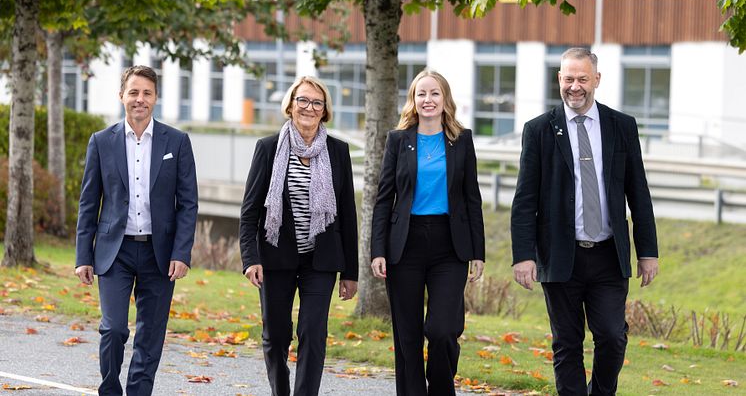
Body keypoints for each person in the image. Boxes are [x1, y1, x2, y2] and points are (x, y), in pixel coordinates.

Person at [510, 47, 659, 395]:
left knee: (611, 335)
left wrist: (647, 251)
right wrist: (523, 255)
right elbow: (524, 199)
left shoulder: (621, 126)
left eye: (581, 79)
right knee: (567, 342)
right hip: (561, 254)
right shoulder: (539, 130)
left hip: (608, 255)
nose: (574, 87)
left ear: (596, 80)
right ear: (558, 80)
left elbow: (639, 192)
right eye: (567, 79)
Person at [74, 65, 198, 395]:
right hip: (116, 252)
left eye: (146, 93)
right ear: (121, 96)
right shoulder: (101, 141)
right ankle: (110, 390)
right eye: (133, 92)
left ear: (155, 98)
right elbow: (89, 202)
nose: (139, 99)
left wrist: (181, 252)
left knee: (150, 334)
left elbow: (188, 204)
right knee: (113, 329)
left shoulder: (178, 141)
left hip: (161, 255)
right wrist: (82, 256)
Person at [239, 75, 358, 396]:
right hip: (275, 257)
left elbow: (347, 212)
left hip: (321, 261)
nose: (309, 107)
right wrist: (250, 259)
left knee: (313, 332)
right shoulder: (267, 149)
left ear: (325, 111)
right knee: (276, 335)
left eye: (316, 102)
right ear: (290, 106)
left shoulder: (337, 151)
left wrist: (351, 273)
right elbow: (250, 211)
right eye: (302, 100)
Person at [370, 69, 485, 396]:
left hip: (449, 246)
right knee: (406, 334)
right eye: (421, 94)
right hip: (404, 245)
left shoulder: (462, 141)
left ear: (445, 100)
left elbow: (471, 197)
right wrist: (378, 249)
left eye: (435, 93)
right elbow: (383, 198)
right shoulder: (398, 140)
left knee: (442, 329)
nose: (428, 100)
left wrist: (479, 252)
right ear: (413, 100)